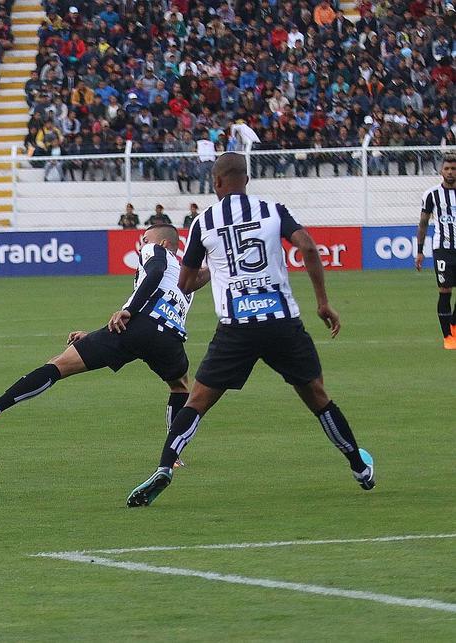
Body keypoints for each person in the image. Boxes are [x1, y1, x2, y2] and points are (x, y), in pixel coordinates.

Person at [126, 152, 375, 508]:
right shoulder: (272, 210)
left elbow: (184, 283)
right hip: (281, 321)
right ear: (246, 179)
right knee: (317, 397)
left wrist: (216, 269)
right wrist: (322, 302)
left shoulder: (204, 222)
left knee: (197, 402)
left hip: (236, 327)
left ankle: (165, 466)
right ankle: (359, 468)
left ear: (216, 182)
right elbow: (307, 246)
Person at [0, 225, 201, 468]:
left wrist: (129, 310)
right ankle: (173, 457)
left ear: (164, 243)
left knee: (59, 365)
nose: (142, 243)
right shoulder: (184, 278)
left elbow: (155, 273)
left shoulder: (155, 251)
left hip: (137, 326)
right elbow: (168, 295)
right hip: (170, 338)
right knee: (180, 387)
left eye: (146, 238)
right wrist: (95, 336)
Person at [416, 154, 456, 349]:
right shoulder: (431, 195)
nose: (450, 172)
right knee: (445, 291)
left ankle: (454, 324)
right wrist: (420, 250)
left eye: (453, 169)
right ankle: (448, 337)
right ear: (441, 171)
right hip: (442, 249)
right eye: (447, 168)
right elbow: (423, 223)